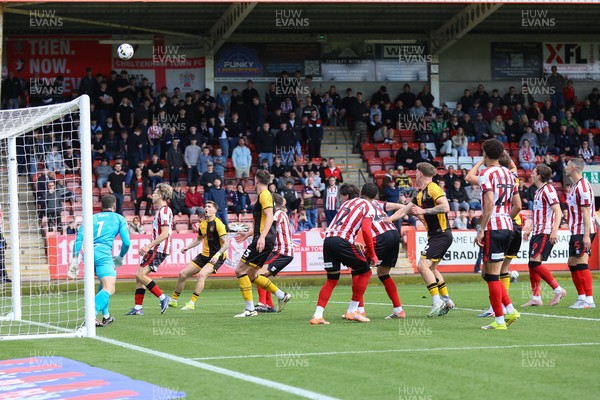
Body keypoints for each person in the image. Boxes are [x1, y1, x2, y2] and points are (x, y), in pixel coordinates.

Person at [388, 162, 455, 317]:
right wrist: (389, 219)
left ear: (420, 174)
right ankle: (447, 299)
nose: (414, 175)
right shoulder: (420, 194)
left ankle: (437, 302)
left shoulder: (433, 188)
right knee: (431, 268)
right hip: (437, 235)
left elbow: (445, 207)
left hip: (441, 234)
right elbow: (404, 209)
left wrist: (423, 211)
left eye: (416, 172)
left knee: (422, 265)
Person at [310, 183, 379, 325]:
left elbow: (342, 226)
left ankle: (318, 315)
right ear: (375, 196)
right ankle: (353, 310)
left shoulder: (345, 205)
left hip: (328, 240)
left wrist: (352, 242)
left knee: (332, 279)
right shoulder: (368, 206)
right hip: (341, 241)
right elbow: (366, 230)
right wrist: (372, 254)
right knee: (366, 272)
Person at [475, 139, 522, 330]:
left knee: (492, 275)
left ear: (485, 154)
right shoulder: (510, 175)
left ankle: (500, 321)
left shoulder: (485, 173)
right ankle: (510, 309)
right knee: (487, 273)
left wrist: (482, 228)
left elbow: (488, 203)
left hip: (494, 227)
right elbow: (518, 205)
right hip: (508, 226)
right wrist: (504, 219)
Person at [233, 169, 292, 317]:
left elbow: (270, 216)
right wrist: (249, 233)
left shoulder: (264, 195)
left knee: (240, 270)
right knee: (252, 275)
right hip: (264, 238)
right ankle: (281, 295)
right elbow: (264, 220)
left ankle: (250, 309)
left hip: (263, 239)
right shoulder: (265, 195)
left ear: (256, 180)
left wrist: (261, 237)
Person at [69, 194, 130, 326]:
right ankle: (92, 314)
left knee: (104, 284)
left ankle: (106, 316)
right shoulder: (119, 218)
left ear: (101, 206)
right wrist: (120, 257)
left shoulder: (91, 218)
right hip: (103, 254)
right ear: (114, 206)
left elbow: (79, 239)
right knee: (110, 288)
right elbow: (126, 242)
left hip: (89, 254)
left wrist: (75, 260)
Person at [521, 164, 567, 307]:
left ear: (540, 175)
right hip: (537, 231)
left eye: (534, 172)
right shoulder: (537, 192)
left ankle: (558, 290)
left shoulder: (549, 190)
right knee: (532, 264)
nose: (531, 175)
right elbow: (539, 214)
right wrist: (530, 228)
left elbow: (558, 212)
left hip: (546, 232)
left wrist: (554, 230)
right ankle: (536, 297)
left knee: (535, 263)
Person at [169, 201, 229, 311]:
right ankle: (173, 300)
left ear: (215, 210)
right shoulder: (203, 224)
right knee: (182, 274)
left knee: (201, 275)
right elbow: (199, 238)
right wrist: (188, 247)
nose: (206, 208)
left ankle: (191, 303)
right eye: (206, 206)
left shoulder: (218, 224)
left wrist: (217, 255)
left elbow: (226, 243)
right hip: (204, 255)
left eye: (209, 207)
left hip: (217, 256)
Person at [126, 183, 174, 315]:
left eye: (154, 192)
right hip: (157, 248)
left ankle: (163, 298)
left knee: (140, 275)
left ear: (160, 195)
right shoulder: (162, 210)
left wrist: (148, 246)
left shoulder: (164, 211)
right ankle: (137, 308)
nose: (152, 195)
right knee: (140, 277)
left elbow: (165, 233)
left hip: (159, 249)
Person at [564, 158, 597, 308]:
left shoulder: (583, 187)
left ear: (574, 169)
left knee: (581, 262)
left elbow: (586, 212)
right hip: (576, 230)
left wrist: (586, 235)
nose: (565, 167)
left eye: (568, 165)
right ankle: (581, 296)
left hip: (583, 231)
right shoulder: (576, 186)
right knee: (572, 262)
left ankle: (589, 299)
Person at [255, 194, 294, 312]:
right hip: (281, 250)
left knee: (257, 273)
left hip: (282, 251)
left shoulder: (277, 214)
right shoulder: (280, 214)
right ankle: (269, 305)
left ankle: (264, 302)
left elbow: (265, 227)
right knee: (262, 275)